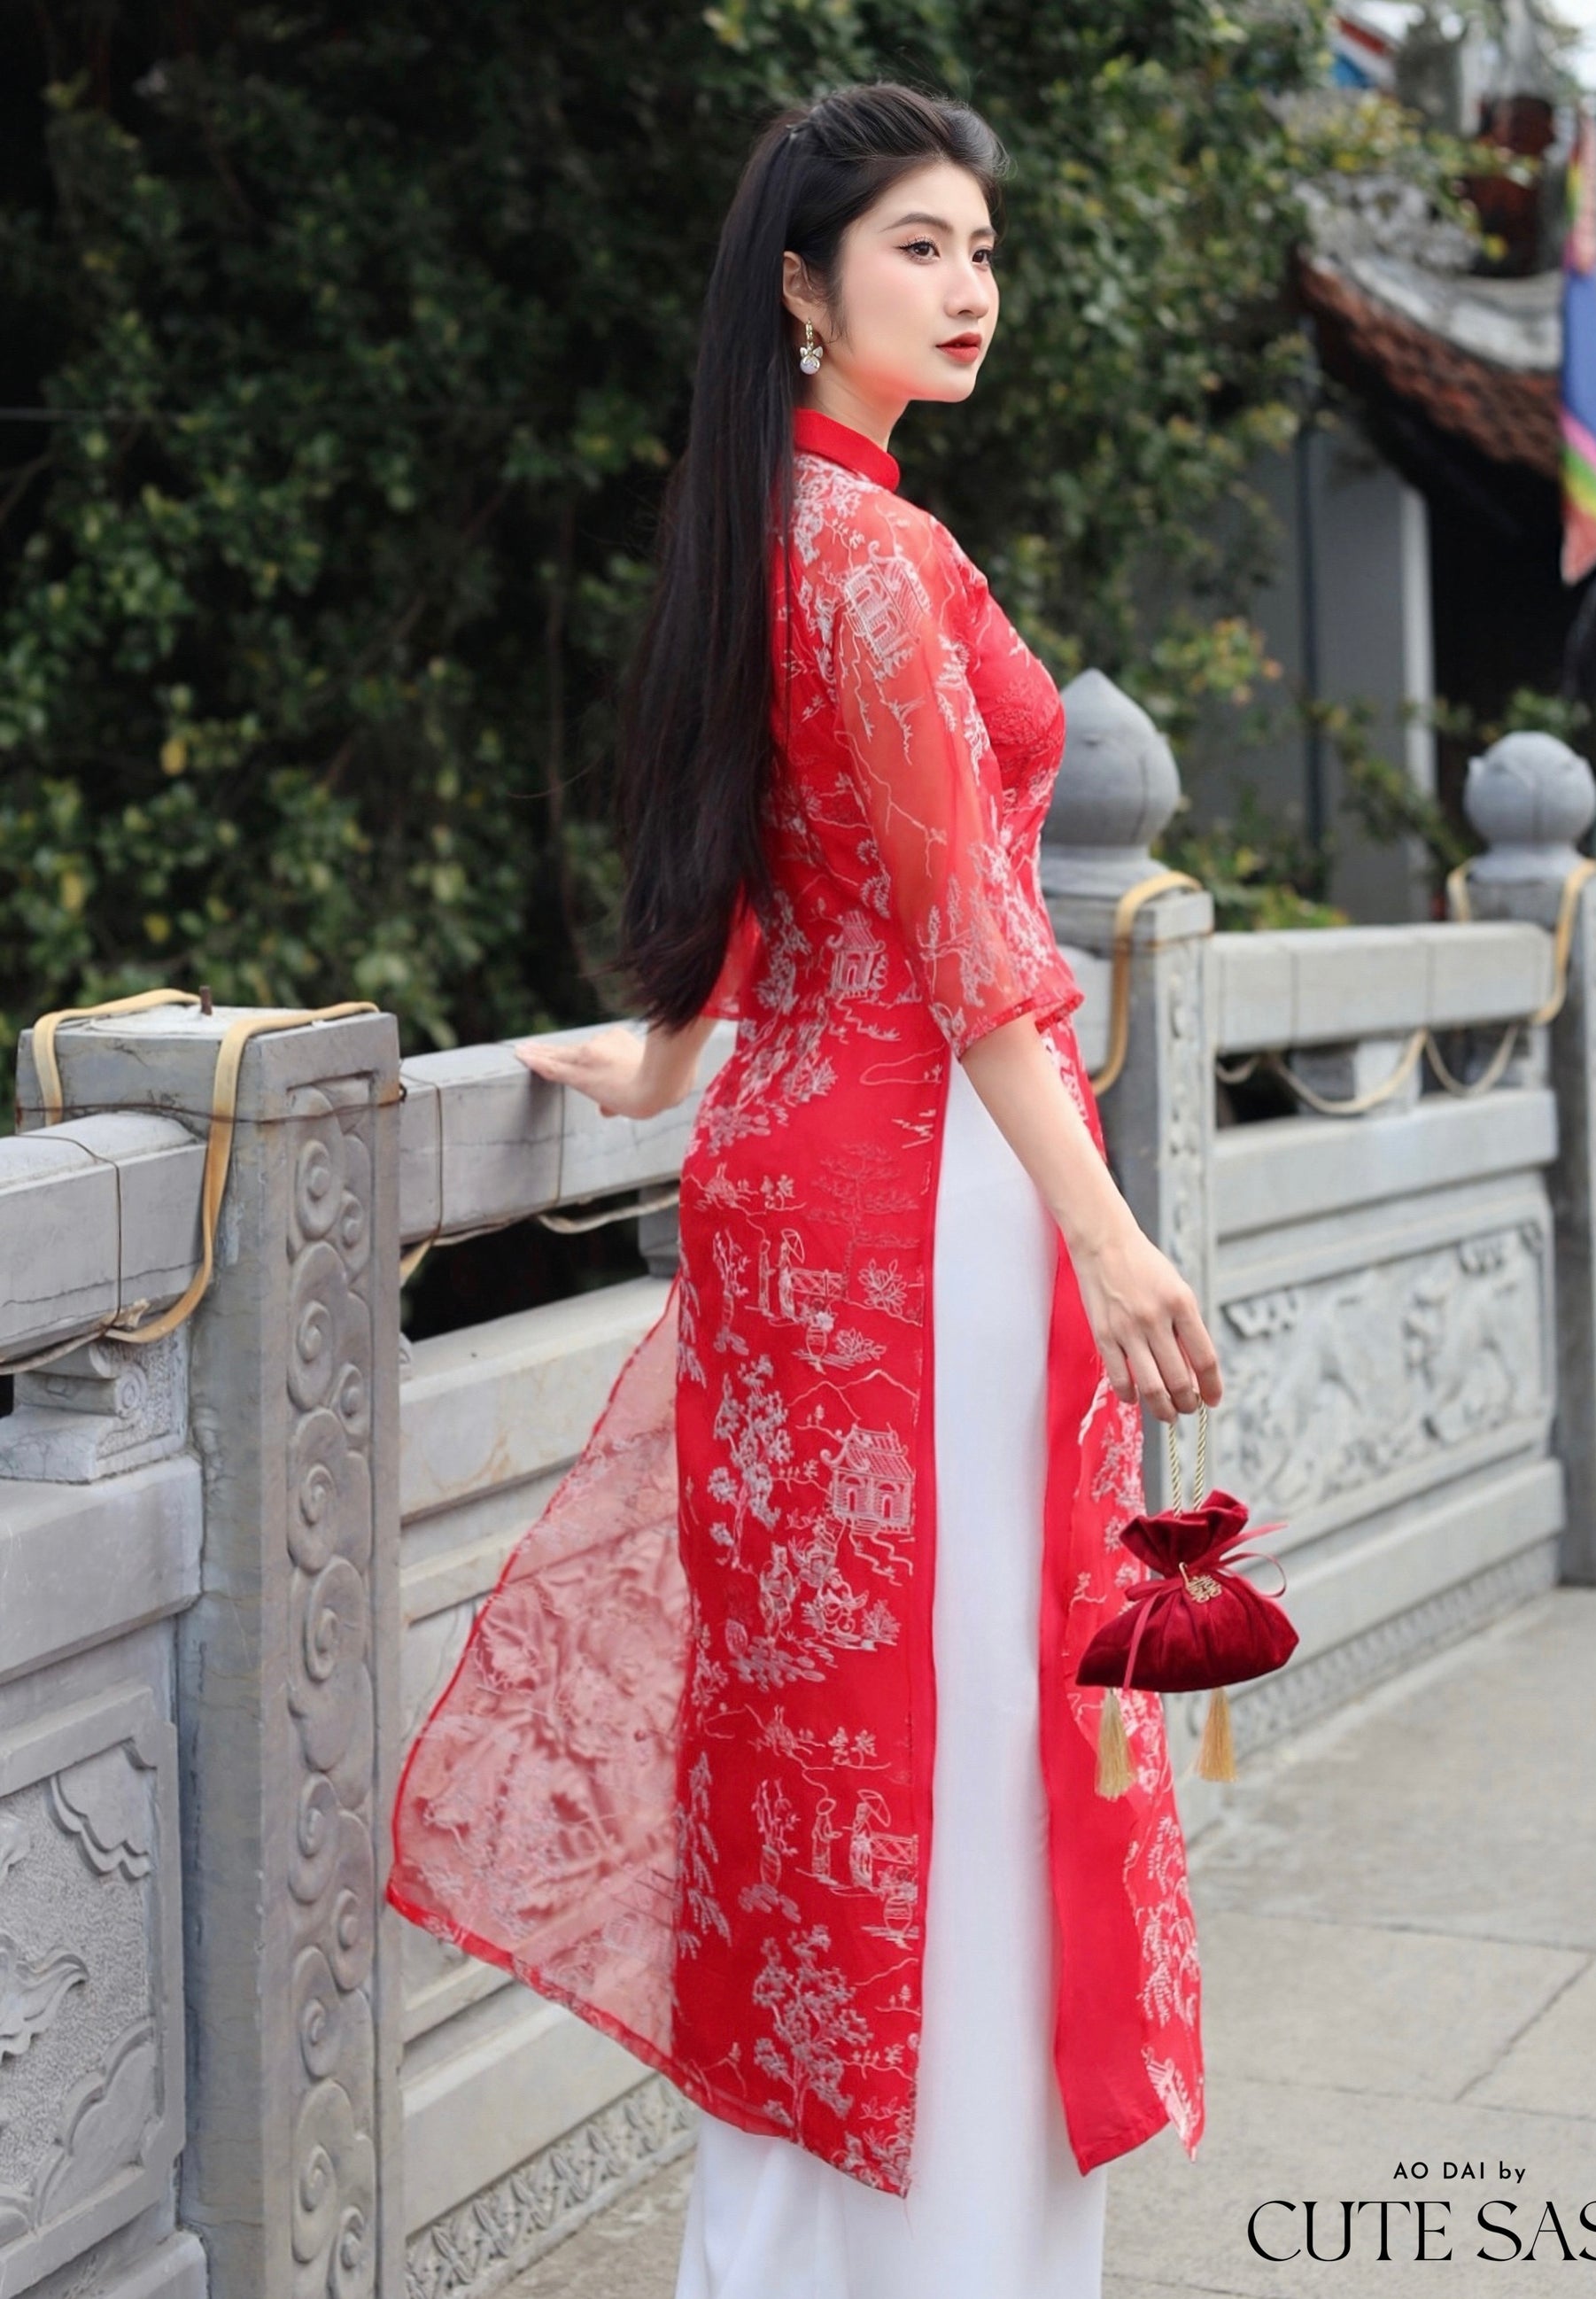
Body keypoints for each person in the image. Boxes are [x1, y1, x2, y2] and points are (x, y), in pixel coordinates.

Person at [385, 79, 1222, 2299]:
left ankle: (813, 2250)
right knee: (952, 1723)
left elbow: (780, 847)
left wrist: (674, 1049)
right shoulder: (866, 554)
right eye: (916, 248)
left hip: (809, 1172)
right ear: (799, 285)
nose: (967, 289)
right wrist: (1111, 1229)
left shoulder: (780, 530)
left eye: (981, 251)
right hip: (921, 1197)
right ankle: (943, 2257)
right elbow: (961, 941)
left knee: (835, 1725)